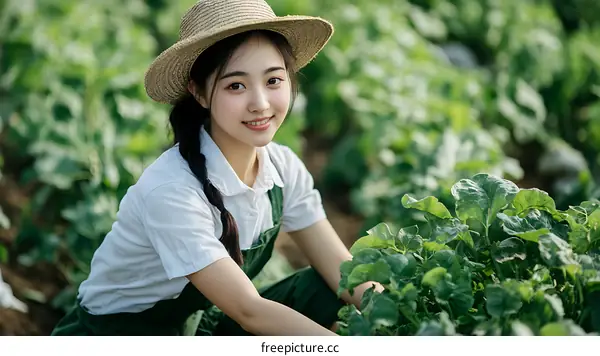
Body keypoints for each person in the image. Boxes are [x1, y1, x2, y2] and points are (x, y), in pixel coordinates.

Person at [51, 0, 383, 336]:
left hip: (198, 324)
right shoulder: (172, 191)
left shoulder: (282, 167)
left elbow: (346, 274)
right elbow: (249, 311)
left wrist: (403, 319)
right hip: (120, 335)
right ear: (199, 93)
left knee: (326, 287)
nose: (260, 104)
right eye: (236, 85)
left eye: (273, 80)